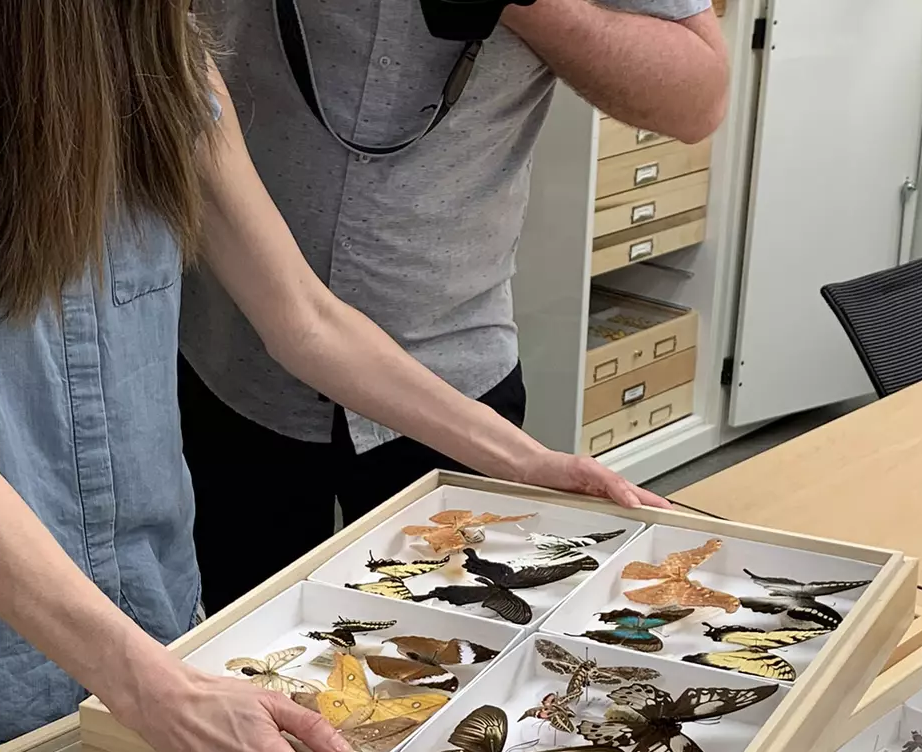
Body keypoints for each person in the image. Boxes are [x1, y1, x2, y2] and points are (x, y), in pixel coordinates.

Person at [0, 0, 665, 752]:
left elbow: (303, 314)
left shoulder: (157, 52)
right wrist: (164, 696)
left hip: (151, 601)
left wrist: (532, 461)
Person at [180, 0, 728, 612]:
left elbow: (698, 98)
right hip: (226, 362)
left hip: (451, 365)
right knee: (242, 632)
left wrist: (530, 7)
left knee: (448, 646)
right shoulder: (162, 65)